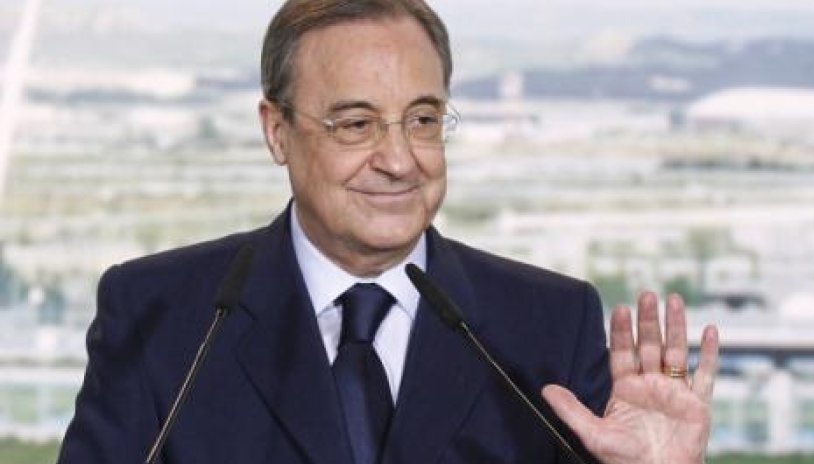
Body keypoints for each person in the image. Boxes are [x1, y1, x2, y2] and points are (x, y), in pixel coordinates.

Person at [56, 1, 719, 463]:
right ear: (277, 131)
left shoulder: (547, 324)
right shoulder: (162, 313)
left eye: (423, 120)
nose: (401, 160)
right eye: (356, 124)